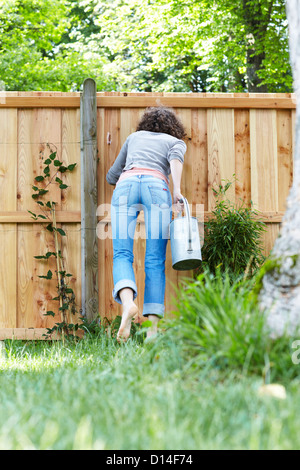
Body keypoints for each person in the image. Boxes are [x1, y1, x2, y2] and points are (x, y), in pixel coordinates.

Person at [106, 106, 187, 342]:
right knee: (155, 260)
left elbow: (112, 175)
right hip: (157, 187)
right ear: (173, 127)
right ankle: (152, 332)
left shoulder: (133, 138)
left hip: (125, 185)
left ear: (146, 123)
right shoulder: (175, 142)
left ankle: (129, 304)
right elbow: (175, 161)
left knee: (122, 253)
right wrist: (177, 191)